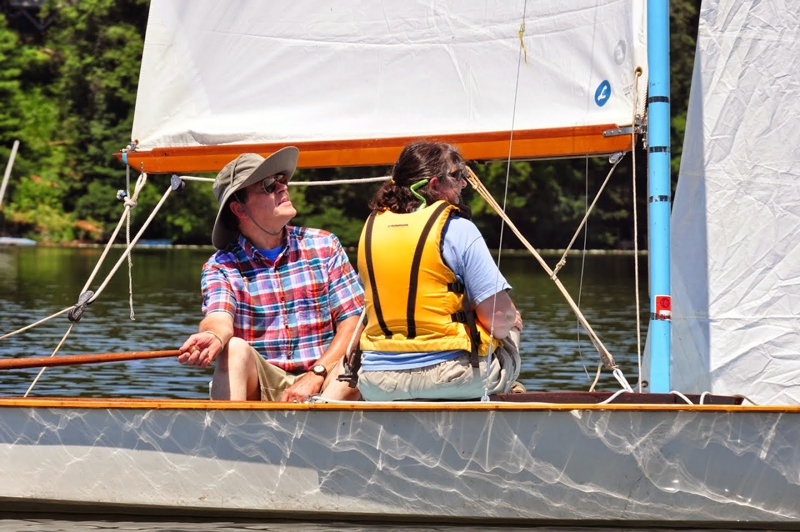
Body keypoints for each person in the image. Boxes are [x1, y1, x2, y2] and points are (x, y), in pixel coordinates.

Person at [178, 147, 364, 402]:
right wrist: (212, 336)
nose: (282, 188)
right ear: (239, 210)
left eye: (281, 180)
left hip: (325, 380)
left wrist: (316, 374)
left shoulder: (324, 245)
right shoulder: (220, 266)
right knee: (232, 349)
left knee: (354, 363)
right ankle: (227, 435)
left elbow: (353, 323)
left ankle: (322, 430)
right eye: (267, 185)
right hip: (261, 384)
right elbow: (218, 319)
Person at [356, 140, 523, 401]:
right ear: (434, 185)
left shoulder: (370, 229)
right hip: (450, 377)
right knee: (509, 324)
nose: (465, 183)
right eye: (457, 175)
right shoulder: (458, 229)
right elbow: (498, 319)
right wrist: (511, 320)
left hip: (376, 380)